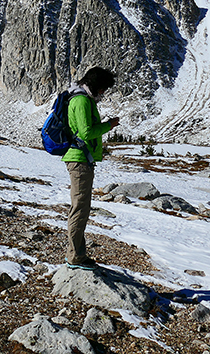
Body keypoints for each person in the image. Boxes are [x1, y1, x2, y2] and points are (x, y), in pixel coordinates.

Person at [62, 67, 119, 270]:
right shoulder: (82, 100)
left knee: (81, 207)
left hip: (81, 159)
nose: (103, 93)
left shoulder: (81, 98)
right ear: (96, 85)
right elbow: (86, 132)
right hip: (79, 160)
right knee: (80, 208)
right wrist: (109, 125)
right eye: (103, 89)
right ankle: (75, 257)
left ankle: (77, 254)